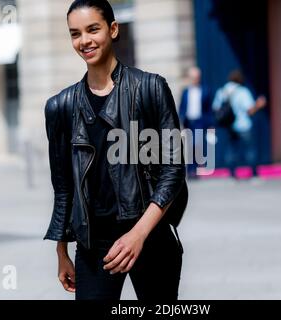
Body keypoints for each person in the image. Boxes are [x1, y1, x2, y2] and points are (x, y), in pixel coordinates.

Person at [44, 0, 187, 301]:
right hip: (94, 245)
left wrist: (139, 234)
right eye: (75, 33)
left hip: (151, 236)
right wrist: (61, 250)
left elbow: (173, 170)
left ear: (112, 29)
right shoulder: (60, 107)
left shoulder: (150, 88)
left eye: (92, 29)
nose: (84, 41)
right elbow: (63, 187)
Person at [212, 70, 266, 180]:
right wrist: (259, 105)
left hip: (230, 126)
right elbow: (250, 110)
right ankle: (254, 174)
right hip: (243, 125)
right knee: (250, 150)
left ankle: (232, 174)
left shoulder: (222, 91)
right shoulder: (243, 91)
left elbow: (216, 108)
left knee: (232, 150)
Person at [178, 67, 212, 178]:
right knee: (189, 146)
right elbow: (182, 107)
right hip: (188, 122)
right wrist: (181, 121)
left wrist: (209, 123)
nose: (195, 79)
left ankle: (197, 170)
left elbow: (208, 109)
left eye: (197, 77)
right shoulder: (185, 92)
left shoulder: (205, 90)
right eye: (193, 77)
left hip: (199, 122)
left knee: (197, 145)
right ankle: (190, 170)